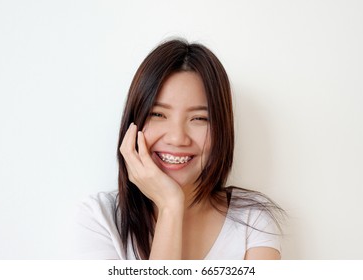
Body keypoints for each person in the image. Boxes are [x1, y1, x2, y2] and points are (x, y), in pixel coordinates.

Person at [73, 38, 285, 260]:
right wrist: (171, 206)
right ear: (132, 124)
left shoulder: (253, 222)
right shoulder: (100, 218)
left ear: (222, 129)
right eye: (158, 114)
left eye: (199, 118)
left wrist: (169, 207)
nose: (177, 138)